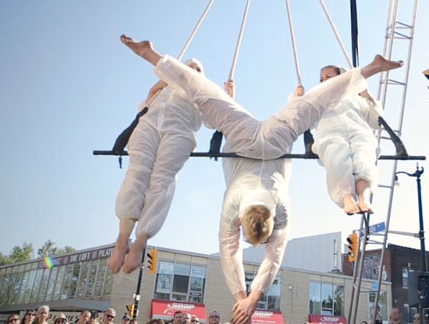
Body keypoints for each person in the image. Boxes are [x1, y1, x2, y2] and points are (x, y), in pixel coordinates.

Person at [120, 34, 401, 324]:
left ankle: (153, 56)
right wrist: (245, 296)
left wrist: (248, 296)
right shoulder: (236, 204)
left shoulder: (280, 209)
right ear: (243, 222)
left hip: (274, 139)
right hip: (249, 138)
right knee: (205, 93)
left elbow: (270, 258)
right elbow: (233, 253)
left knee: (313, 100)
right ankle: (152, 56)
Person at [108, 58, 204, 274]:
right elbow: (146, 103)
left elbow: (219, 113)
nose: (191, 68)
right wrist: (161, 83)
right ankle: (122, 239)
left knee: (162, 181)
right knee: (136, 173)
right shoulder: (164, 85)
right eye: (188, 65)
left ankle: (140, 241)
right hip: (148, 126)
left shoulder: (202, 92)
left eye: (197, 68)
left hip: (179, 132)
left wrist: (229, 94)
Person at [312, 65, 384, 214]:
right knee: (337, 157)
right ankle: (347, 198)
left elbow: (377, 121)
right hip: (330, 134)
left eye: (328, 77)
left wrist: (366, 95)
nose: (323, 81)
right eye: (321, 79)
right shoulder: (316, 99)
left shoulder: (353, 97)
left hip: (358, 131)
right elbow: (301, 117)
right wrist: (295, 98)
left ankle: (364, 197)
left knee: (363, 156)